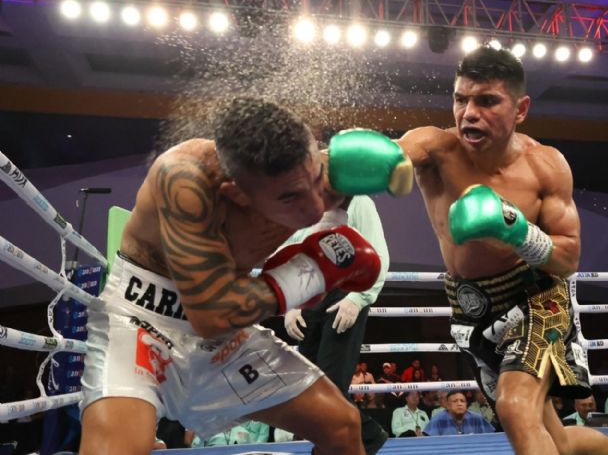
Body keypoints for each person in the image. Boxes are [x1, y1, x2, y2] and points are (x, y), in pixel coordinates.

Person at [78, 98, 413, 455]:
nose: (314, 207)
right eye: (291, 197)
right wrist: (311, 273)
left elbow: (423, 147)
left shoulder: (323, 169)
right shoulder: (184, 182)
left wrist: (392, 170)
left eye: (317, 180)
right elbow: (212, 316)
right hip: (141, 322)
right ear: (236, 192)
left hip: (227, 339)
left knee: (343, 426)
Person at [377, 46, 608, 455]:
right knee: (555, 439)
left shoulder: (544, 166)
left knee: (514, 406)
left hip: (536, 298)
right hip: (473, 308)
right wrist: (331, 163)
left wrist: (514, 230)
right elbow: (389, 155)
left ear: (521, 109)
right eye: (461, 99)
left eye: (487, 101)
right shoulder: (435, 148)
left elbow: (568, 258)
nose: (469, 113)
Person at [282, 194, 391, 453]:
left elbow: (378, 253)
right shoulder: (299, 204)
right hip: (307, 295)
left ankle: (362, 441)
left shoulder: (358, 200)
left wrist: (357, 298)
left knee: (332, 385)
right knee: (309, 388)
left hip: (344, 293)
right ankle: (363, 438)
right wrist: (290, 304)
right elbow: (287, 252)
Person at [423, 390, 495, 436]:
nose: (459, 404)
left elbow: (491, 438)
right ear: (448, 406)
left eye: (462, 401)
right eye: (455, 401)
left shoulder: (477, 418)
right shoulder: (437, 420)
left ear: (466, 404)